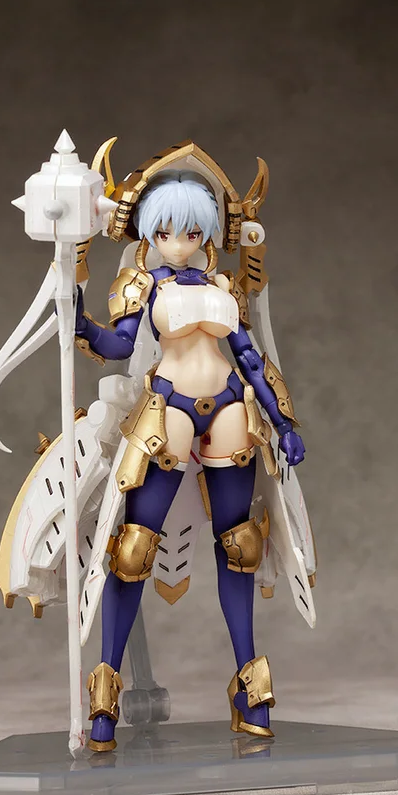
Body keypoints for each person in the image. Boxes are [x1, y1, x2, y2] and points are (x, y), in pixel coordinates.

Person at [73, 172, 305, 752]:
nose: (180, 242)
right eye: (167, 232)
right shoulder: (142, 282)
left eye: (192, 231)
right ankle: (104, 694)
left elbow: (249, 356)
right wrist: (77, 318)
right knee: (133, 549)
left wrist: (283, 422)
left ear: (208, 233)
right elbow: (119, 345)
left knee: (241, 545)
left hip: (229, 403)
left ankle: (249, 689)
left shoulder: (225, 284)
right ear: (150, 234)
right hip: (169, 404)